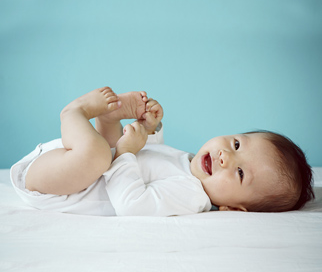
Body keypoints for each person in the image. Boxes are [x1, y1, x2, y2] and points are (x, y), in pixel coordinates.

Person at [10, 87, 315, 216]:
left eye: (239, 172)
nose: (226, 157)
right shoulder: (189, 163)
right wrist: (149, 129)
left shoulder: (193, 196)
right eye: (236, 145)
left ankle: (74, 113)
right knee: (108, 151)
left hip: (59, 187)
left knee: (103, 156)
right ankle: (109, 119)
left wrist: (127, 152)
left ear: (234, 209)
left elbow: (132, 205)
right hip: (65, 165)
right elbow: (151, 160)